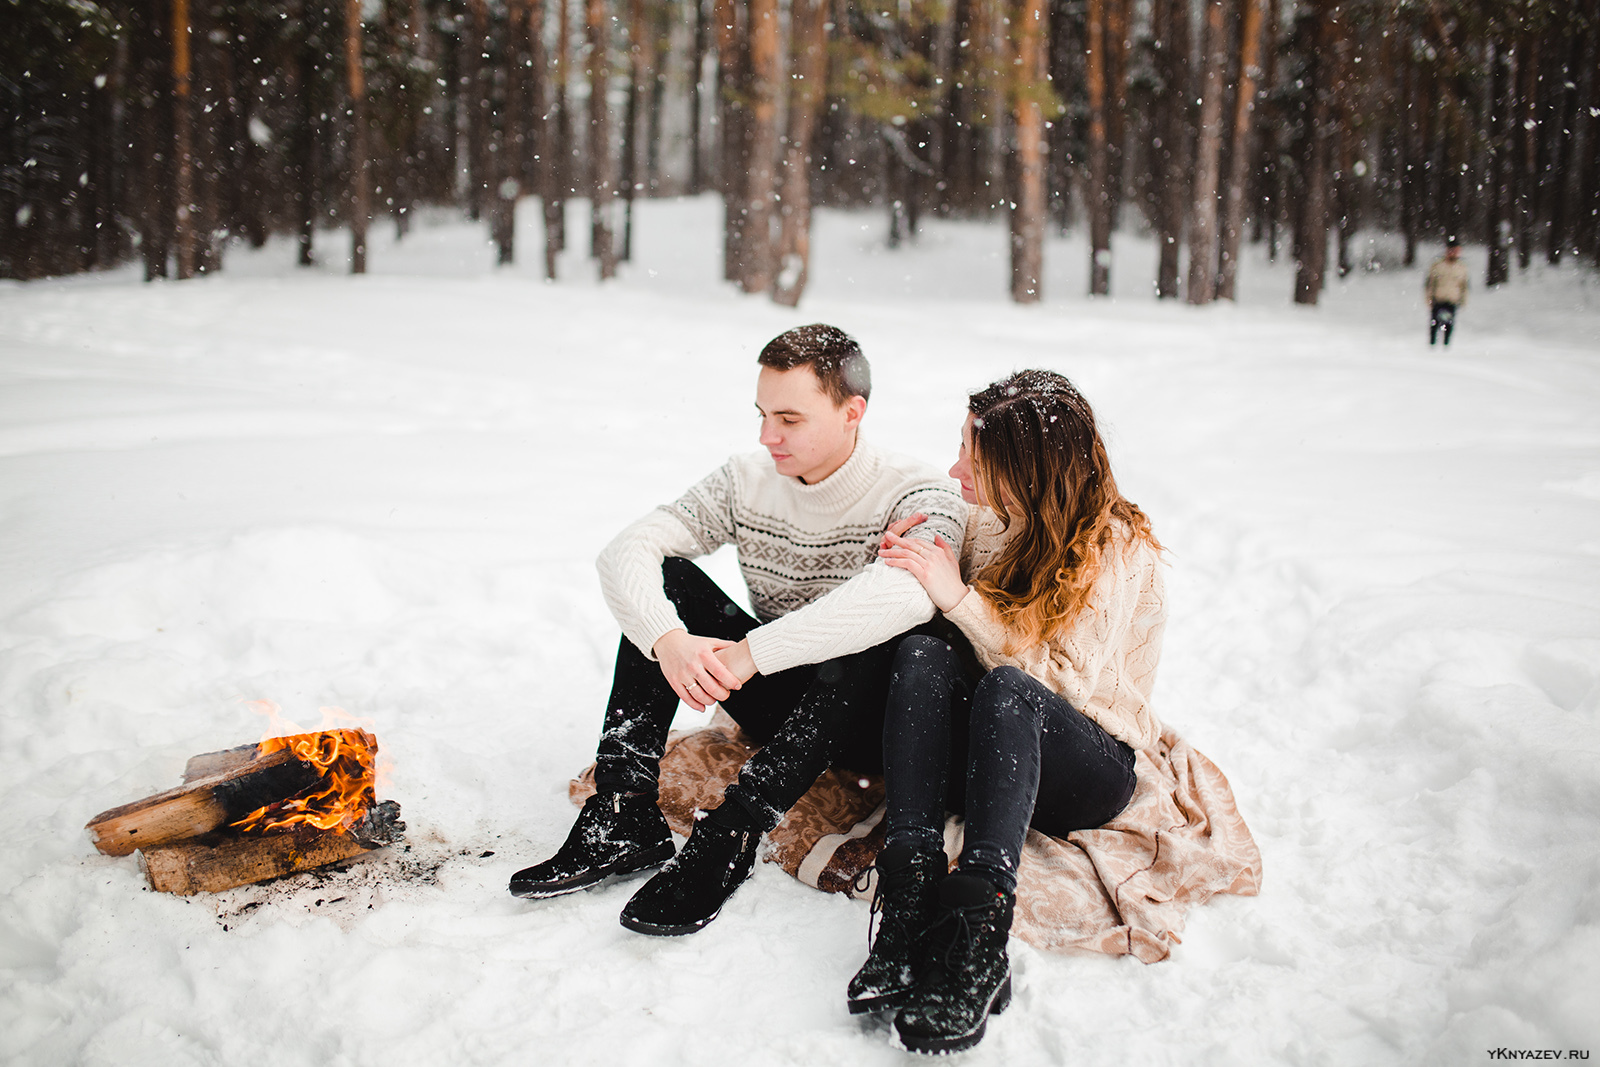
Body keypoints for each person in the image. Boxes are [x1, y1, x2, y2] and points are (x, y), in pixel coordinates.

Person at [508, 324, 967, 938]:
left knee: (890, 634)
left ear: (852, 412)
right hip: (779, 702)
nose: (766, 436)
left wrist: (753, 653)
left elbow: (909, 595)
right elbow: (627, 551)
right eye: (761, 413)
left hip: (870, 726)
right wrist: (668, 642)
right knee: (666, 584)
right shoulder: (744, 480)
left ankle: (733, 832)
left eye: (789, 418)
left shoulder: (920, 490)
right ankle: (622, 813)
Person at [846, 369, 1166, 1054]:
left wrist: (958, 597)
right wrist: (899, 565)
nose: (955, 468)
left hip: (1086, 769)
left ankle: (979, 930)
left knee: (1010, 688)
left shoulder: (1116, 546)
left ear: (1026, 470)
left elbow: (1060, 687)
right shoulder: (990, 521)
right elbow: (940, 622)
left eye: (973, 456)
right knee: (926, 652)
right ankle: (909, 896)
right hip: (997, 754)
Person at [1425, 240, 1469, 346]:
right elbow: (1430, 283)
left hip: (1452, 299)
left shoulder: (1461, 268)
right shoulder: (1438, 265)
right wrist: (1429, 298)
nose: (1453, 253)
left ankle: (1446, 345)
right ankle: (1432, 345)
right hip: (1438, 298)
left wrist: (1463, 300)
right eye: (1451, 250)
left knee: (1449, 324)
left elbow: (1464, 286)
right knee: (1435, 323)